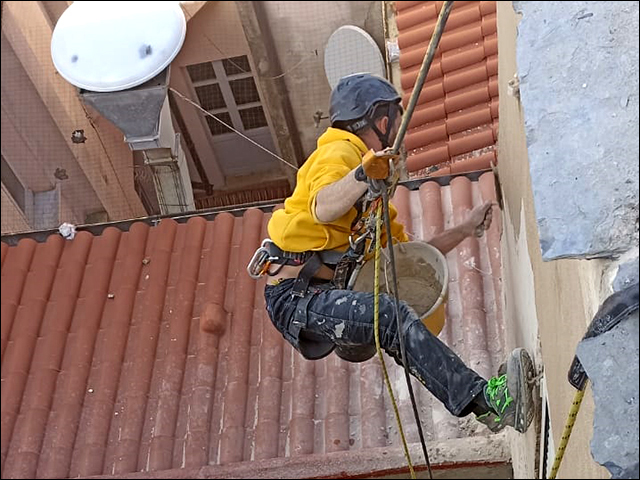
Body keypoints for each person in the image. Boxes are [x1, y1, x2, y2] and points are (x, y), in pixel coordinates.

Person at [256, 73, 534, 433]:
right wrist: (361, 173)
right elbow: (323, 206)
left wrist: (465, 229)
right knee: (388, 316)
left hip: (321, 293)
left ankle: (484, 402)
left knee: (389, 316)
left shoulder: (374, 202)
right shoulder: (339, 151)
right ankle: (487, 403)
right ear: (382, 120)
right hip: (294, 296)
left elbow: (411, 258)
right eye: (397, 121)